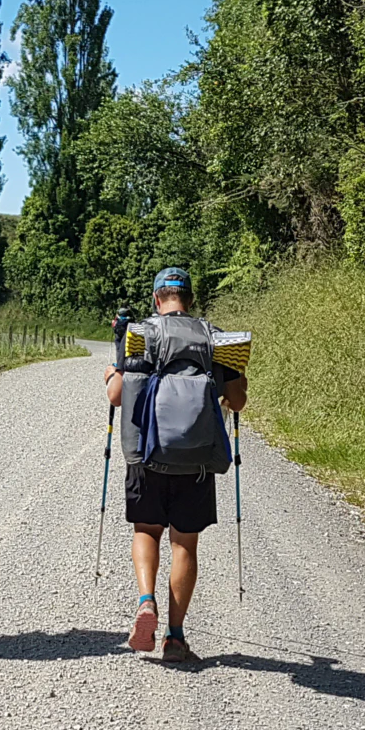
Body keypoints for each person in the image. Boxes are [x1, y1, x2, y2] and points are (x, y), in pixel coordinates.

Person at [104, 268, 248, 662]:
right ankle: (175, 637)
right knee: (184, 542)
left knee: (147, 530)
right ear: (191, 299)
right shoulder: (215, 338)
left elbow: (117, 396)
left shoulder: (140, 334)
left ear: (156, 299)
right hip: (197, 460)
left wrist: (111, 374)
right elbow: (237, 402)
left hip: (147, 456)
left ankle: (146, 601)